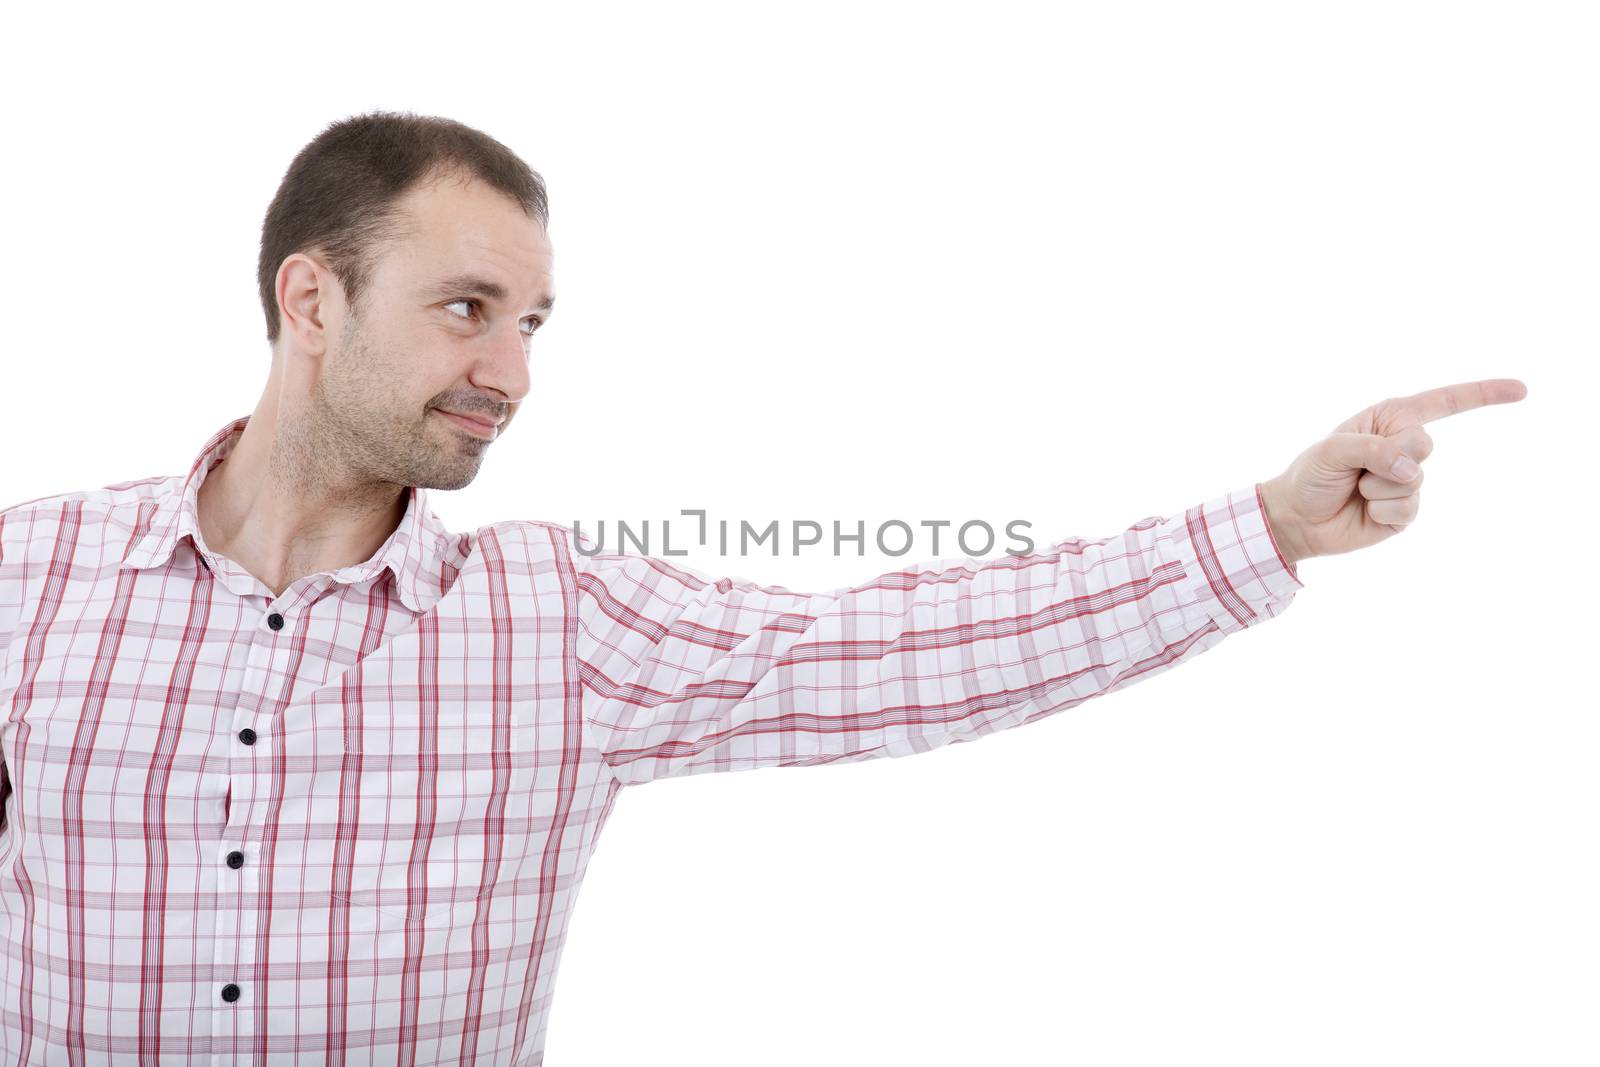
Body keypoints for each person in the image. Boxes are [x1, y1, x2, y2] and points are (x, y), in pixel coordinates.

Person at [0, 110, 1527, 1065]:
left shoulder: (561, 624)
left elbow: (897, 643)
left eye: (536, 322)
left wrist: (1261, 526)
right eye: (467, 308)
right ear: (310, 297)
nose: (511, 374)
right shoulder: (26, 575)